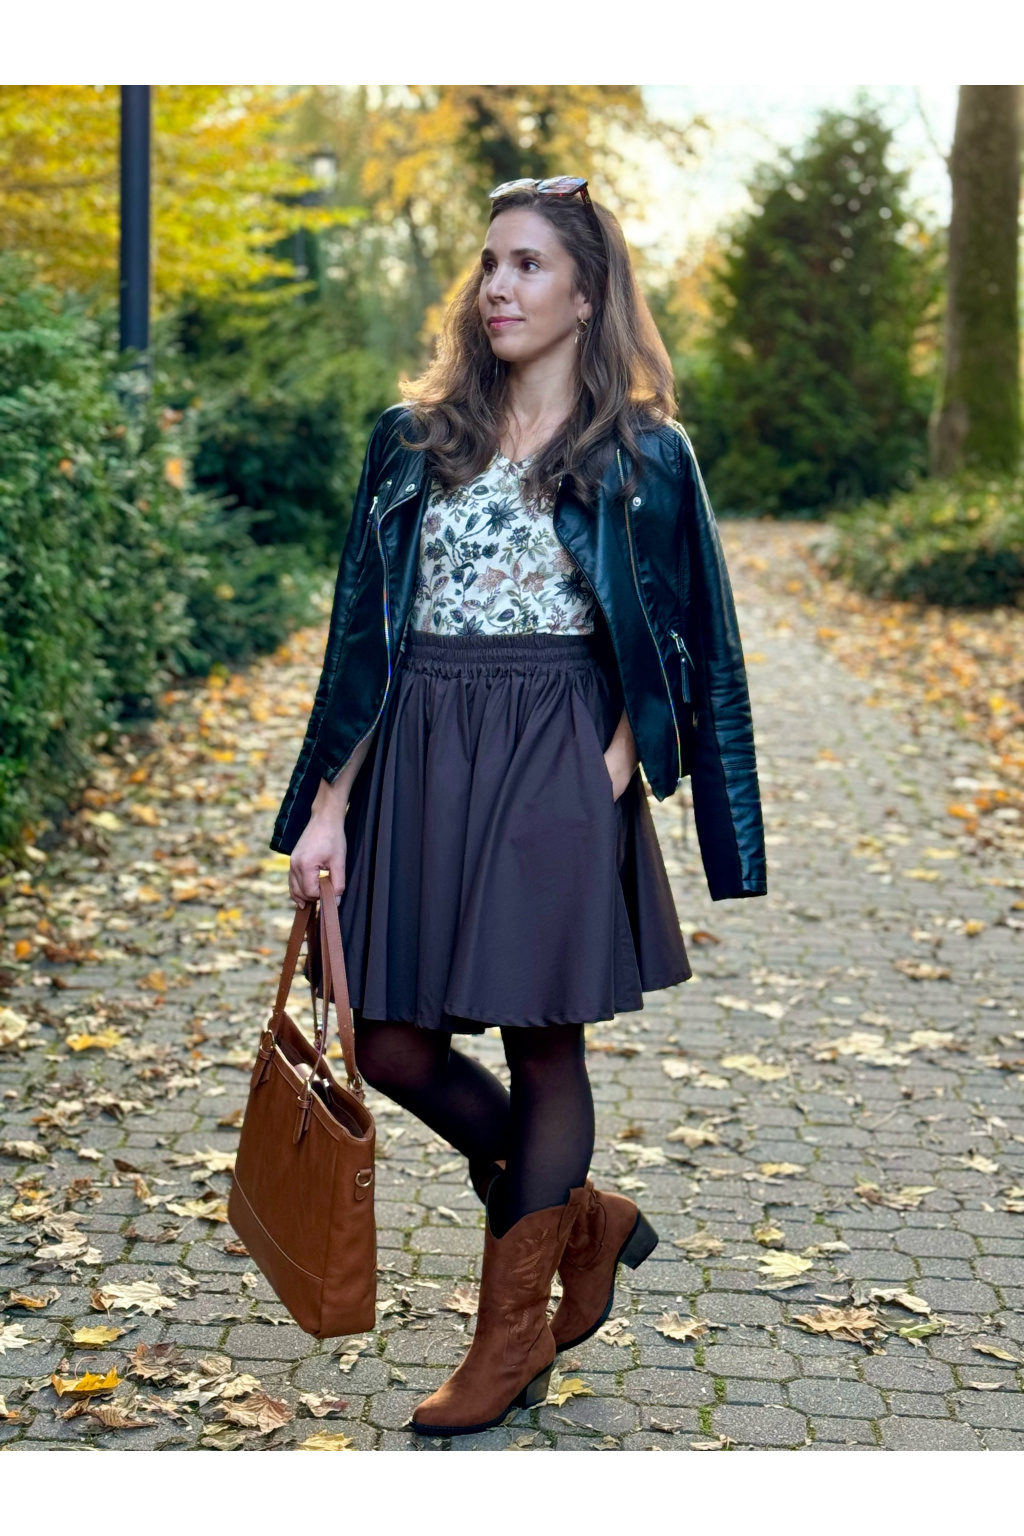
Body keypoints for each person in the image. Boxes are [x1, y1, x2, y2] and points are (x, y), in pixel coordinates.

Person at [271, 176, 767, 1437]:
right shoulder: (411, 438)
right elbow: (359, 637)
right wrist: (326, 809)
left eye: (530, 265)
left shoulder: (645, 454)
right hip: (417, 753)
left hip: (554, 751)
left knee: (543, 1041)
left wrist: (609, 774)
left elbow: (686, 632)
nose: (498, 286)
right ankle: (581, 1221)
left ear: (588, 295)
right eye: (490, 263)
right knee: (388, 1042)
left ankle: (508, 1345)